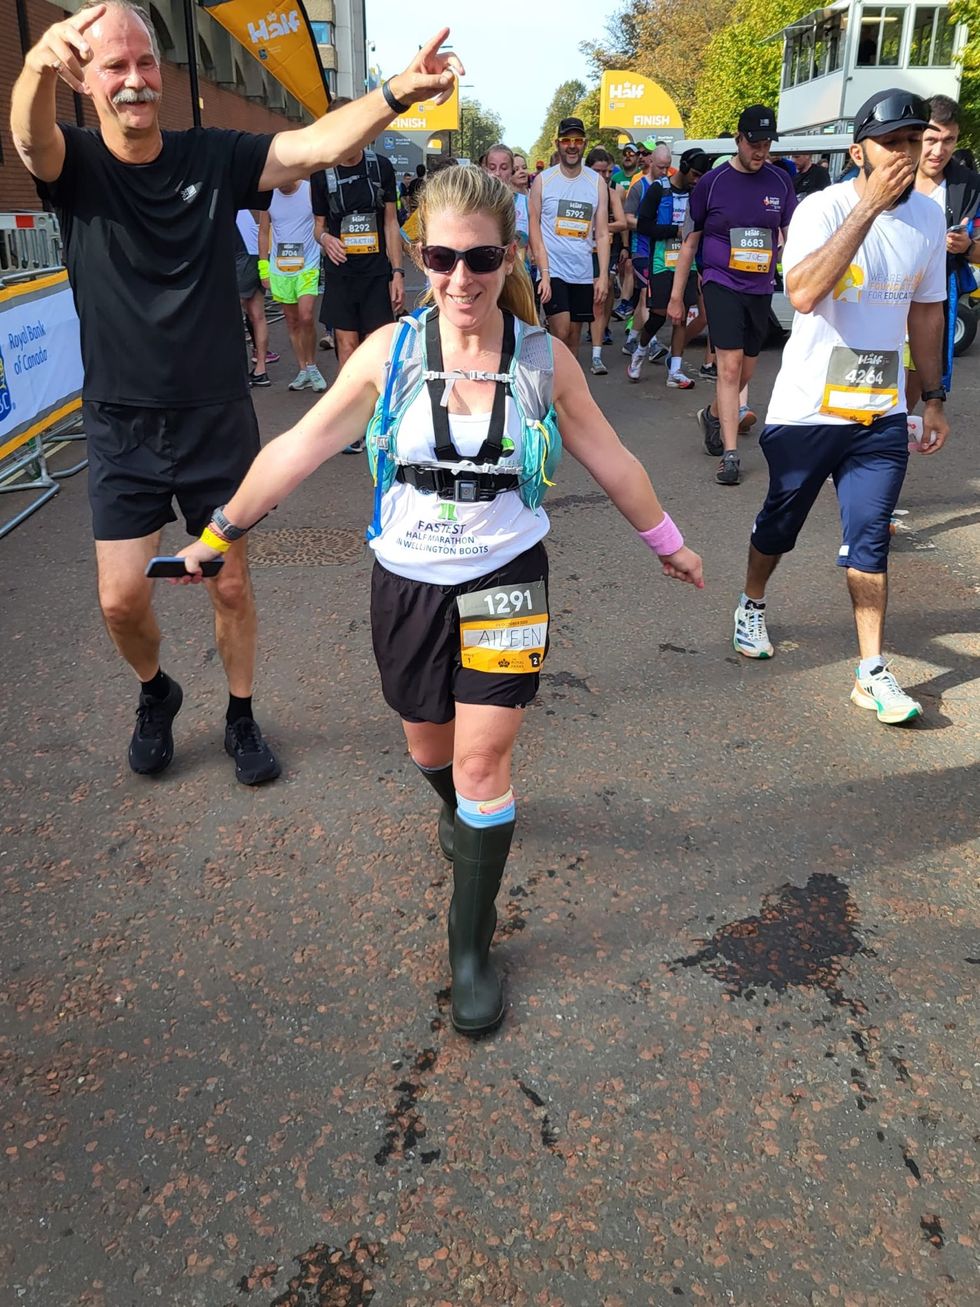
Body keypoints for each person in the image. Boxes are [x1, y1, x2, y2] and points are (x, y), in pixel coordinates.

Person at [175, 165, 703, 1034]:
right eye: (441, 256)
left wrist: (669, 544)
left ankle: (471, 947)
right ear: (417, 254)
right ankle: (465, 820)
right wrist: (220, 531)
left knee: (483, 764)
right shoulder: (388, 353)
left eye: (483, 257)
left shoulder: (544, 358)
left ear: (509, 257)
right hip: (409, 582)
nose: (462, 278)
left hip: (506, 581)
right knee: (431, 750)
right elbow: (300, 447)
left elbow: (612, 457)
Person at [10, 0, 462, 782]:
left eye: (145, 62)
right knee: (121, 600)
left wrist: (395, 93)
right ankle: (157, 691)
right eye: (115, 66)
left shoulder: (210, 155)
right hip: (121, 425)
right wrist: (32, 69)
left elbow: (311, 144)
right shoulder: (75, 164)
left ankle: (242, 714)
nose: (135, 80)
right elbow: (28, 140)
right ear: (87, 81)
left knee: (230, 581)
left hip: (216, 416)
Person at [733, 90, 948, 725]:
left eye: (916, 142)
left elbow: (927, 310)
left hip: (879, 412)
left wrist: (932, 398)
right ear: (860, 152)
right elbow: (800, 293)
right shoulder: (819, 209)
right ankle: (751, 600)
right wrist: (869, 210)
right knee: (781, 526)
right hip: (807, 409)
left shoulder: (931, 221)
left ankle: (871, 670)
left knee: (870, 538)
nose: (906, 156)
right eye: (893, 144)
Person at [668, 105, 796, 485]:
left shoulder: (780, 182)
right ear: (738, 139)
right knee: (727, 366)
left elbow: (792, 239)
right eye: (754, 143)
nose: (760, 151)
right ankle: (730, 454)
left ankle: (711, 414)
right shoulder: (713, 183)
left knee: (746, 370)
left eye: (766, 144)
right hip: (720, 282)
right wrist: (678, 295)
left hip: (760, 287)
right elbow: (689, 244)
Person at [311, 96, 404, 450]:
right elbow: (318, 226)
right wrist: (326, 240)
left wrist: (397, 272)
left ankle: (380, 416)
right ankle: (353, 423)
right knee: (347, 346)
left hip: (376, 272)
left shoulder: (381, 168)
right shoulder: (321, 174)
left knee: (378, 347)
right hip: (342, 273)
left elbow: (391, 222)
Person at [908, 94, 980, 406]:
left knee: (914, 387)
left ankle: (895, 440)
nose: (939, 151)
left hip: (934, 298)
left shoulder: (968, 185)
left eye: (949, 140)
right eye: (931, 139)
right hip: (881, 292)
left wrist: (967, 247)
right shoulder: (891, 173)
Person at [627, 147, 710, 388]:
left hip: (689, 263)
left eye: (701, 176)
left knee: (681, 316)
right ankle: (640, 351)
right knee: (659, 315)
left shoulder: (698, 193)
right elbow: (642, 224)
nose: (697, 180)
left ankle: (675, 370)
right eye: (694, 174)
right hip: (661, 262)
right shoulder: (658, 189)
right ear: (683, 167)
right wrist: (674, 231)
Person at [529, 116, 610, 353]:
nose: (572, 145)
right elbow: (534, 227)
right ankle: (552, 386)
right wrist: (543, 271)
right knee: (561, 330)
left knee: (573, 337)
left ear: (584, 143)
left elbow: (603, 233)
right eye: (566, 140)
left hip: (582, 272)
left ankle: (567, 388)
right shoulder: (544, 181)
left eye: (577, 140)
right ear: (557, 143)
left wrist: (602, 275)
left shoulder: (596, 182)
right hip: (553, 270)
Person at [259, 179, 327, 392]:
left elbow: (320, 222)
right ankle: (303, 369)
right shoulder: (268, 194)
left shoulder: (309, 190)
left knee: (306, 316)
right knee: (292, 321)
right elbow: (263, 231)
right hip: (281, 268)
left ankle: (313, 365)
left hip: (308, 264)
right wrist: (263, 267)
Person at [622, 143, 672, 357]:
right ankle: (650, 344)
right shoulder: (639, 187)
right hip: (641, 250)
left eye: (667, 167)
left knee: (650, 298)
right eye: (661, 166)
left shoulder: (669, 186)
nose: (664, 171)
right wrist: (648, 226)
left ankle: (632, 339)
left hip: (663, 252)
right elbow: (627, 218)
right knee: (645, 295)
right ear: (651, 162)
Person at [585, 147, 627, 374]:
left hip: (602, 251)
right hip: (578, 252)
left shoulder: (612, 193)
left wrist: (600, 228)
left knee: (600, 299)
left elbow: (622, 223)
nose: (603, 177)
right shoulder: (578, 191)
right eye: (598, 171)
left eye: (607, 172)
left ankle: (597, 356)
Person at [235, 208, 270, 388]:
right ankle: (260, 369)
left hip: (243, 256)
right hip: (255, 253)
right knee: (257, 315)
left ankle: (238, 373)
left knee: (231, 316)